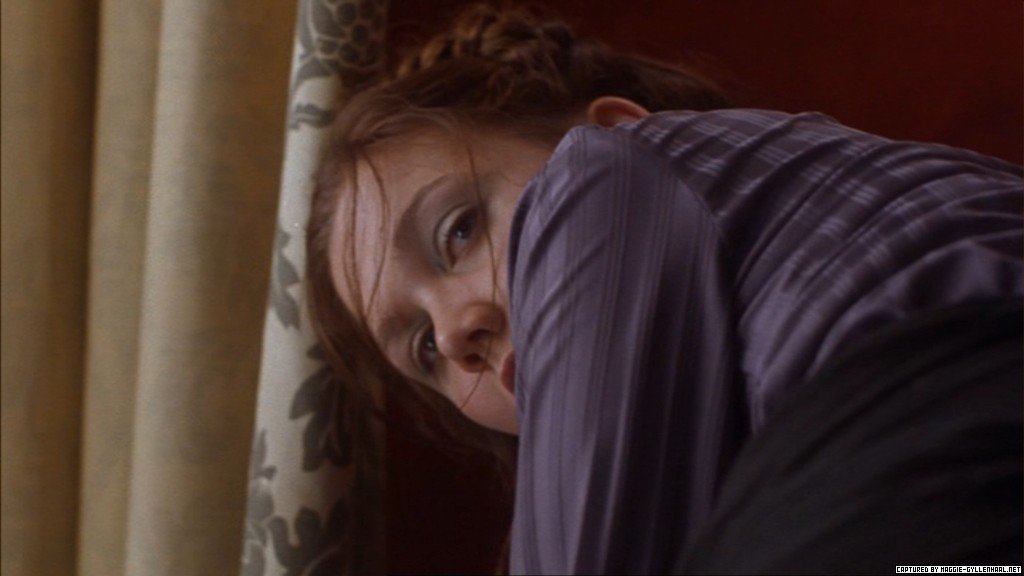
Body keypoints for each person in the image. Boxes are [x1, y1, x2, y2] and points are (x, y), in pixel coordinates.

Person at [305, 4, 1023, 574]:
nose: (454, 334)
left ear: (622, 128)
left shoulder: (604, 173)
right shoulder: (710, 475)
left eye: (460, 230)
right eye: (423, 349)